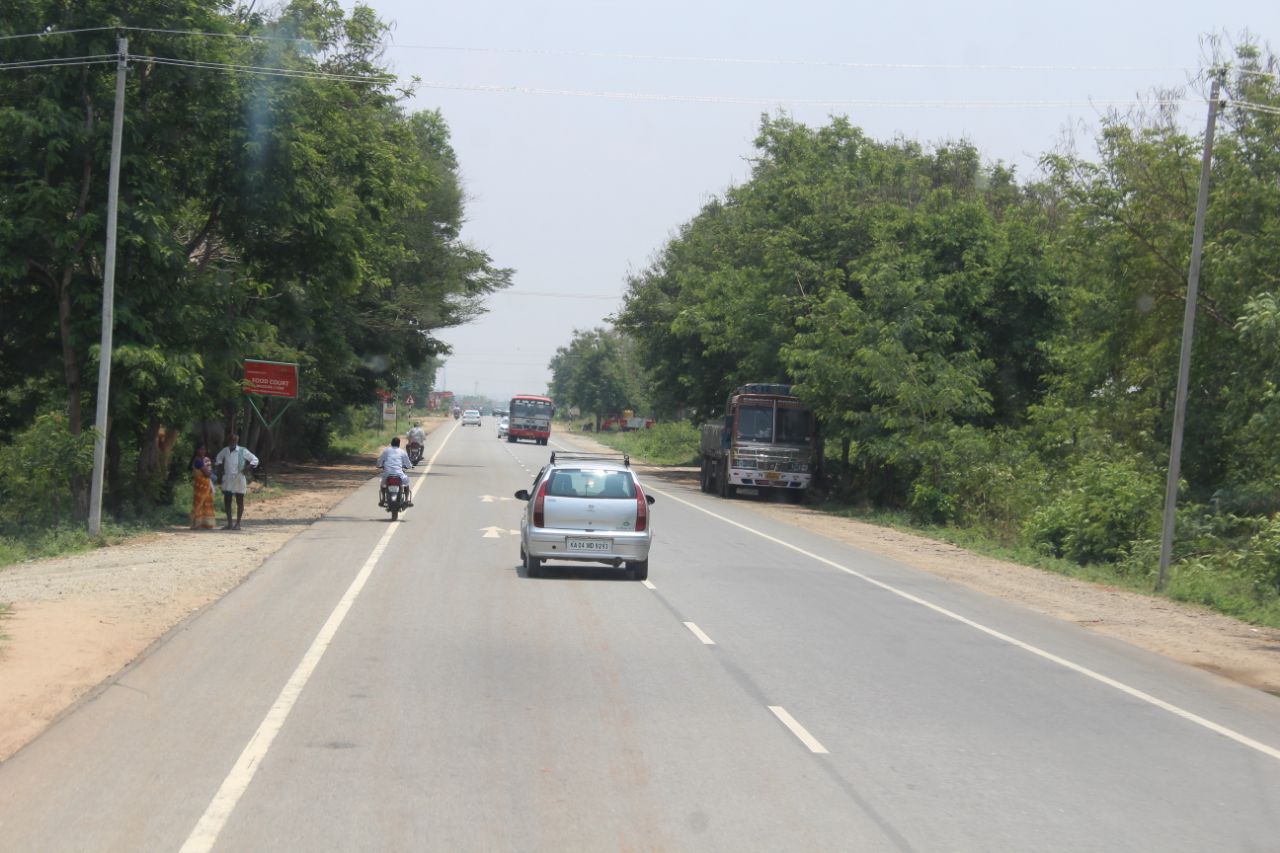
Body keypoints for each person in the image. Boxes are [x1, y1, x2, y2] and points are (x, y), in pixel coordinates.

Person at [215, 433, 259, 530]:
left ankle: (238, 523)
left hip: (239, 476)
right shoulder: (225, 451)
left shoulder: (242, 450)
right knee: (227, 500)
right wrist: (220, 471)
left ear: (237, 441)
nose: (233, 442)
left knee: (240, 500)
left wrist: (248, 467)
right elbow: (218, 459)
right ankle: (230, 523)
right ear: (229, 441)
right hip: (228, 478)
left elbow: (255, 459)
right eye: (231, 441)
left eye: (234, 441)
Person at [377, 436, 414, 506]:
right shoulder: (402, 452)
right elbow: (408, 463)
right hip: (399, 474)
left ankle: (383, 499)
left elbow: (380, 461)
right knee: (406, 483)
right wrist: (410, 466)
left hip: (387, 474)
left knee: (382, 484)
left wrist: (379, 465)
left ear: (391, 443)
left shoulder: (386, 451)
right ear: (399, 444)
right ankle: (406, 499)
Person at [190, 444, 217, 530]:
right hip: (202, 486)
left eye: (204, 449)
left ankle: (202, 523)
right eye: (201, 449)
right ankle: (199, 524)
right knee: (201, 503)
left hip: (202, 486)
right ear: (197, 450)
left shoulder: (199, 460)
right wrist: (210, 472)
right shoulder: (198, 461)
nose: (203, 451)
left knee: (203, 503)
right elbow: (207, 473)